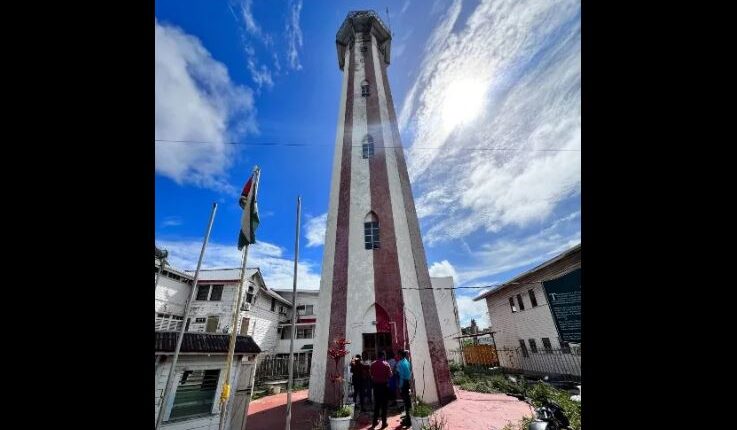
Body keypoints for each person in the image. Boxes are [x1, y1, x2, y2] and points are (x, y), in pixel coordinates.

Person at [369, 351, 392, 428]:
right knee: (384, 405)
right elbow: (390, 375)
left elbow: (371, 374)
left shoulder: (372, 364)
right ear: (383, 356)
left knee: (377, 405)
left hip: (376, 386)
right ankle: (384, 423)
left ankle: (374, 422)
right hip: (384, 386)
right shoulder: (386, 364)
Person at [396, 350, 412, 427]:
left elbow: (401, 376)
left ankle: (408, 421)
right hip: (408, 382)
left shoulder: (400, 363)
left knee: (406, 402)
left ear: (400, 355)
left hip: (404, 384)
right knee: (408, 402)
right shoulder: (407, 362)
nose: (397, 356)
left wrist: (400, 386)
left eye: (398, 355)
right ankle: (408, 418)